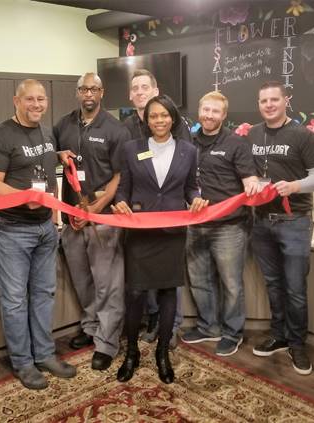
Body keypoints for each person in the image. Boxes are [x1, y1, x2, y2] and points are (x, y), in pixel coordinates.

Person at [0, 79, 76, 390]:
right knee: (14, 301)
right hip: (11, 228)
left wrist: (55, 217)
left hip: (45, 228)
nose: (36, 104)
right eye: (30, 99)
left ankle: (45, 354)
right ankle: (23, 362)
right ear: (16, 101)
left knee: (43, 294)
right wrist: (26, 198)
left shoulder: (47, 133)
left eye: (41, 99)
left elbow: (49, 179)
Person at [112, 94, 207, 384]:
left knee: (168, 293)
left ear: (173, 118)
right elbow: (123, 189)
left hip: (172, 233)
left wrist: (197, 200)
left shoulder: (188, 151)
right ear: (146, 119)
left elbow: (191, 188)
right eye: (153, 116)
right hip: (140, 231)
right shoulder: (131, 149)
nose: (159, 120)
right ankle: (132, 354)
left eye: (164, 115)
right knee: (136, 293)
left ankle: (162, 354)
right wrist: (119, 203)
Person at [247, 81, 314, 375]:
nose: (268, 105)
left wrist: (295, 186)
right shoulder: (253, 133)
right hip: (261, 221)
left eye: (274, 99)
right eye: (263, 100)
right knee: (273, 283)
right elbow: (250, 171)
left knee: (295, 289)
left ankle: (297, 343)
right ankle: (279, 335)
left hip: (295, 222)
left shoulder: (304, 135)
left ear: (286, 101)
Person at [54, 72, 129, 371]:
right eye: (83, 88)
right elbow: (54, 159)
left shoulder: (115, 129)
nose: (88, 94)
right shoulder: (63, 125)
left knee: (107, 283)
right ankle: (90, 327)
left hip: (103, 219)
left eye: (93, 89)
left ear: (102, 92)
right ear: (77, 92)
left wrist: (98, 206)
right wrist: (59, 153)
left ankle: (107, 342)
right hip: (72, 218)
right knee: (82, 280)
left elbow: (120, 175)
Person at [181, 91, 259, 356]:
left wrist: (252, 184)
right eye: (205, 110)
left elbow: (249, 179)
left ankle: (232, 332)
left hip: (229, 227)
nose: (209, 115)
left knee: (231, 283)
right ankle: (208, 326)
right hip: (195, 224)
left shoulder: (237, 143)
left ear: (224, 115)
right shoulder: (188, 142)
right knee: (199, 279)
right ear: (199, 111)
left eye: (215, 111)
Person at [124, 68, 186, 348]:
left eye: (144, 87)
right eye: (135, 88)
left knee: (168, 285)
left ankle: (169, 329)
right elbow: (125, 175)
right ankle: (153, 323)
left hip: (171, 222)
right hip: (140, 222)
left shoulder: (178, 128)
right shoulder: (127, 128)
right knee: (140, 287)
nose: (139, 92)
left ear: (155, 90)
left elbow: (186, 171)